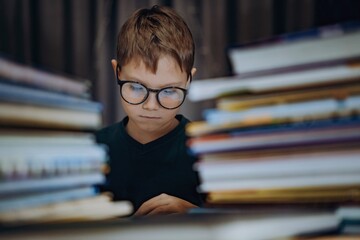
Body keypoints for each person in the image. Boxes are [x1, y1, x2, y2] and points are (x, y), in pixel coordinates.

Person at [95, 5, 203, 216]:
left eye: (169, 90)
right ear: (117, 71)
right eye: (136, 87)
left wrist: (193, 214)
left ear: (189, 79)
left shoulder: (209, 152)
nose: (151, 106)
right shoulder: (92, 150)